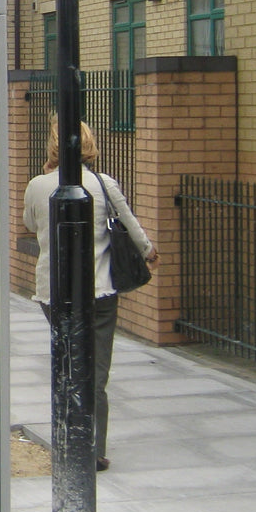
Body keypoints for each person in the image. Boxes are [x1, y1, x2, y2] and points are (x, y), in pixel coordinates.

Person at [22, 120, 158, 472]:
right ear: (89, 145)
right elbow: (129, 225)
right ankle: (93, 448)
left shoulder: (38, 186)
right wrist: (147, 251)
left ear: (52, 146)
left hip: (54, 293)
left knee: (66, 365)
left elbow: (31, 224)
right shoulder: (102, 183)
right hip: (99, 291)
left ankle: (67, 438)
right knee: (96, 373)